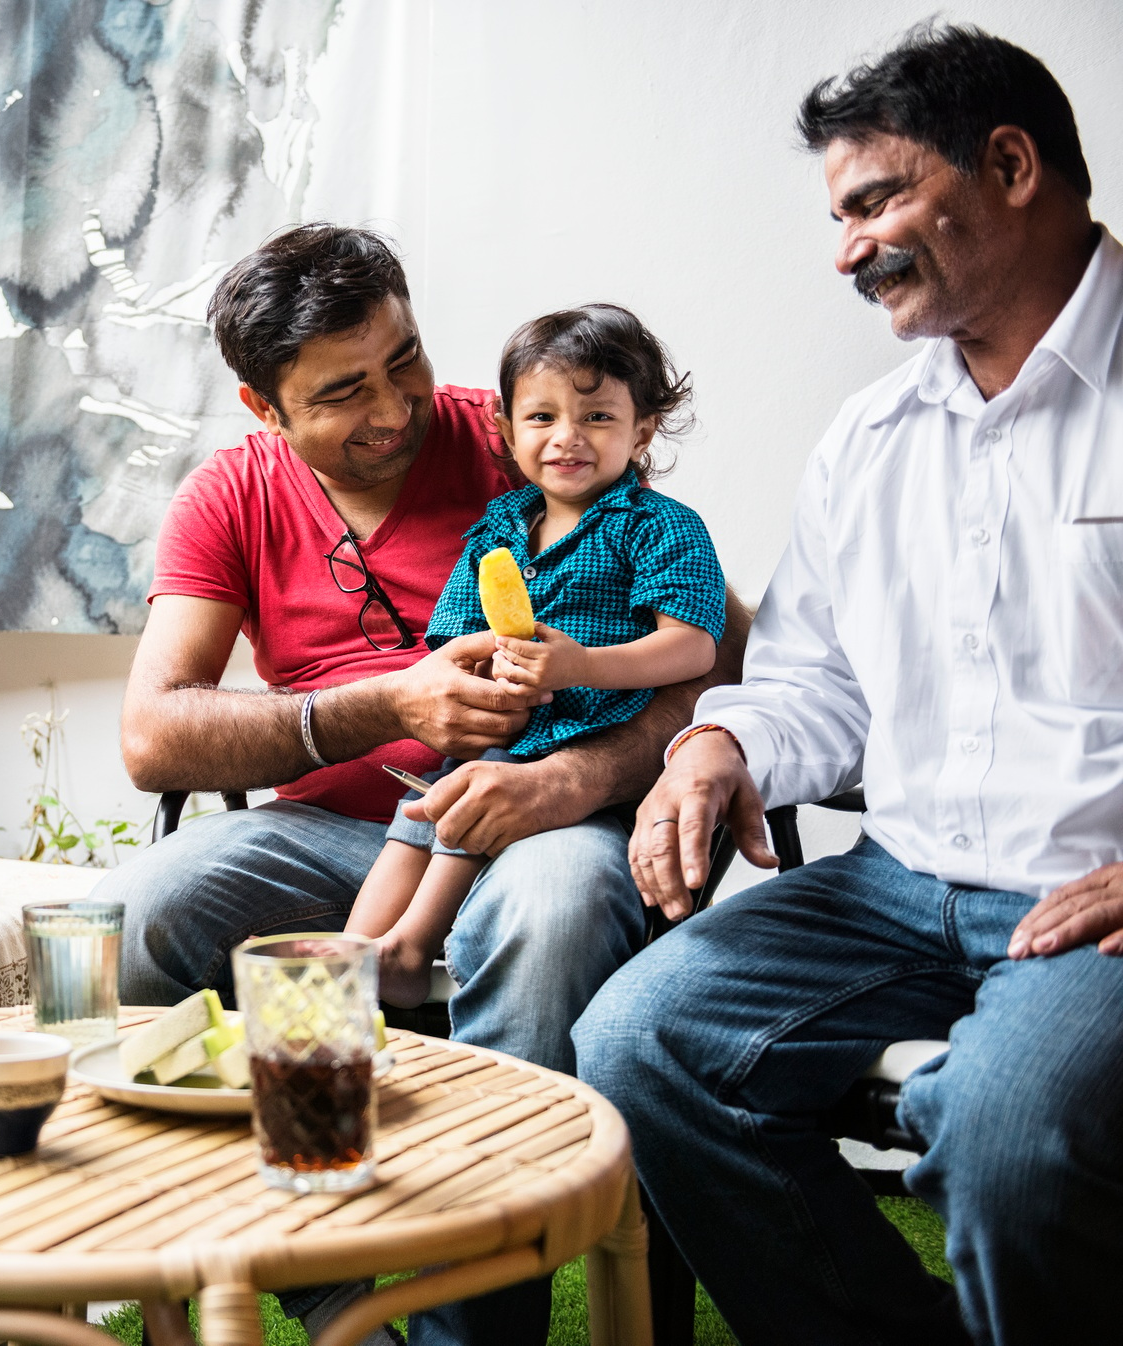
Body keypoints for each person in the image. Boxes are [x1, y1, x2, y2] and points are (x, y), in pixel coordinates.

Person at [574, 25, 1123, 1346]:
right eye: (839, 214)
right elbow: (815, 680)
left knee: (1008, 1130)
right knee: (639, 1039)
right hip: (902, 883)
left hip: (1093, 902)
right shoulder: (870, 439)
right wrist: (720, 751)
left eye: (874, 200)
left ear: (1009, 165)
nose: (846, 248)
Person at [96, 223, 743, 1346]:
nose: (395, 406)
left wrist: (577, 774)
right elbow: (154, 735)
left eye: (402, 357)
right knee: (145, 908)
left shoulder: (518, 430)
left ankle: (465, 1332)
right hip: (346, 833)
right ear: (266, 408)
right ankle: (306, 1281)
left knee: (547, 914)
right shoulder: (229, 495)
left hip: (545, 818)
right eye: (343, 391)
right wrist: (384, 704)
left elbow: (719, 652)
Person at [347, 306, 724, 1007]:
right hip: (502, 730)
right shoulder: (497, 528)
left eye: (598, 418)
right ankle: (348, 957)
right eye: (542, 418)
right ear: (507, 429)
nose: (567, 439)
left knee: (471, 796)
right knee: (423, 805)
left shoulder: (659, 526)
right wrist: (482, 671)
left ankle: (409, 949)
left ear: (642, 429)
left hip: (585, 746)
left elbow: (694, 644)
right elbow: (452, 636)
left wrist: (580, 666)